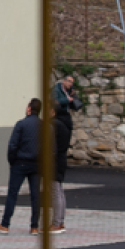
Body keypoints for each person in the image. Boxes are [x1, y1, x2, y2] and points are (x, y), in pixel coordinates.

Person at [0, 98, 42, 234]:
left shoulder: (21, 124)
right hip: (37, 164)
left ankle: (5, 224)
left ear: (29, 108)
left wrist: (12, 161)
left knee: (12, 194)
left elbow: (13, 145)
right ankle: (34, 226)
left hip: (20, 162)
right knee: (35, 195)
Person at [50, 97, 74, 234]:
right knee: (59, 190)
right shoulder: (65, 123)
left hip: (54, 161)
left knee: (55, 191)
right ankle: (60, 221)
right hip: (61, 159)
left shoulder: (53, 125)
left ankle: (57, 223)